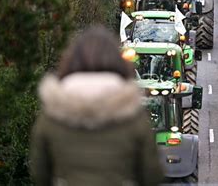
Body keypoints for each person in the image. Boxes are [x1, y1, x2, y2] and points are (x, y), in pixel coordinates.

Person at [30, 27, 163, 186]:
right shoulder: (134, 117)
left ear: (71, 61)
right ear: (118, 62)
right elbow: (152, 175)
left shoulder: (51, 116)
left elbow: (39, 174)